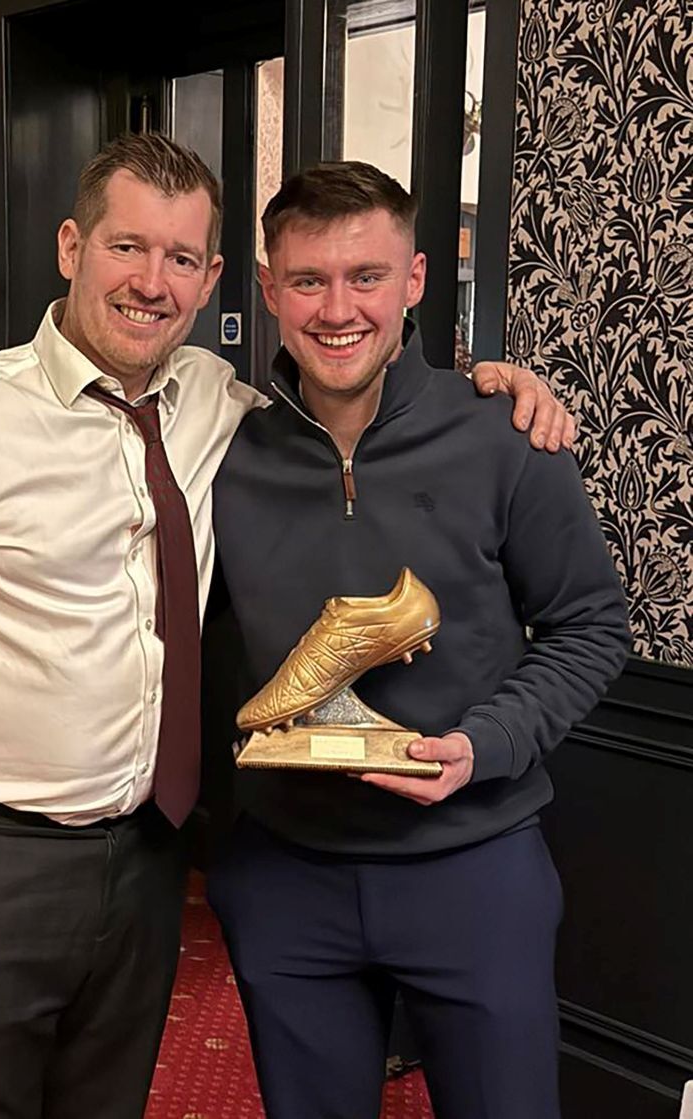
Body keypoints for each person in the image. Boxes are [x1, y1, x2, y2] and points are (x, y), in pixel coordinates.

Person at [0, 134, 571, 1119]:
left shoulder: (223, 406)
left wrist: (489, 390)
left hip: (152, 862)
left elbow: (354, 405)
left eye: (180, 258)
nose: (151, 282)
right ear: (72, 246)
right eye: (128, 248)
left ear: (214, 278)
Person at [207, 162, 631, 1119]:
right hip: (287, 870)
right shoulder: (221, 447)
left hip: (474, 865)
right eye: (308, 280)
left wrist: (485, 744)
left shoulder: (506, 432)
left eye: (367, 275)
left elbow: (590, 626)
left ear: (416, 280)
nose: (337, 308)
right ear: (269, 290)